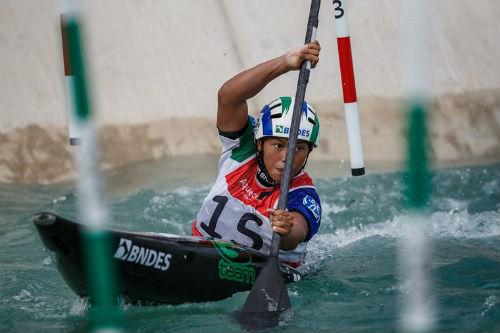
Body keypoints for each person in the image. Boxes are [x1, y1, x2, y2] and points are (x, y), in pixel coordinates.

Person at [192, 41, 322, 266]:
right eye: (278, 145)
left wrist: (287, 228)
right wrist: (285, 63)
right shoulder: (243, 148)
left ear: (309, 151)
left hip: (261, 273)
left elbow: (295, 235)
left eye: (299, 148)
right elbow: (228, 97)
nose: (287, 158)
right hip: (198, 253)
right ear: (259, 143)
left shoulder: (303, 195)